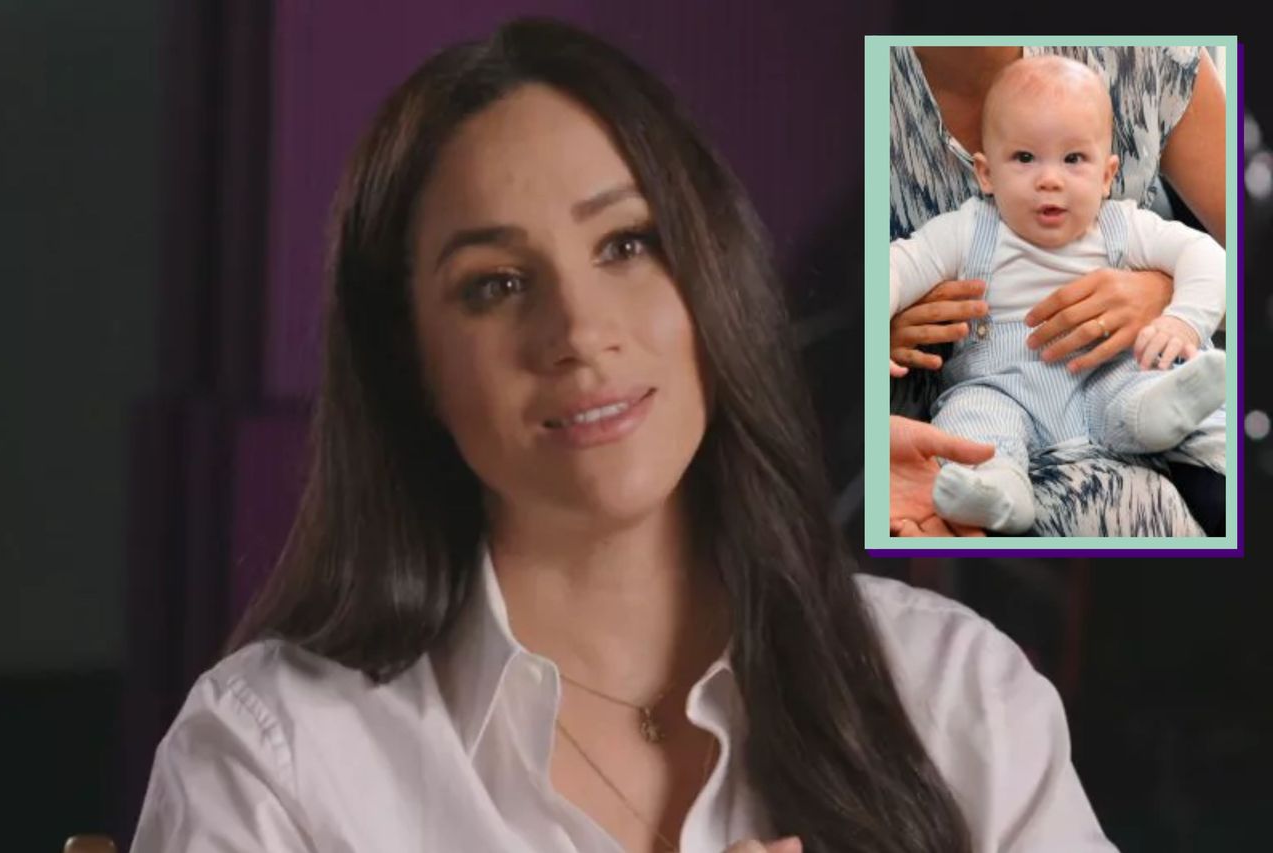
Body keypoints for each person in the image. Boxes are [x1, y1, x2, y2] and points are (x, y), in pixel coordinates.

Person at [131, 19, 1115, 852]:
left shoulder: (954, 696)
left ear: (711, 276)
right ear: (412, 364)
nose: (576, 333)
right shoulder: (275, 751)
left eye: (625, 244)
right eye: (494, 285)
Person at [889, 45, 1227, 537]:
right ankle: (1001, 488)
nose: (1049, 179)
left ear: (1108, 175)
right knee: (973, 420)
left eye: (1073, 160)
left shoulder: (1121, 226)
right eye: (1024, 158)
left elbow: (1207, 256)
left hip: (1103, 375)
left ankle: (1159, 414)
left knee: (1137, 386)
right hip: (1001, 385)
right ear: (985, 173)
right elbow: (897, 264)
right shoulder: (967, 229)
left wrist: (1181, 316)